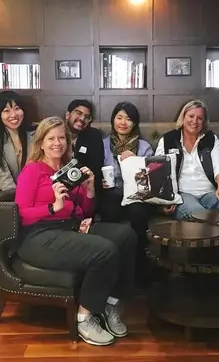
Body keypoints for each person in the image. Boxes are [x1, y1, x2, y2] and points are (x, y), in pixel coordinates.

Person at [14, 117, 137, 346]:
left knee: (126, 236)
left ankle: (110, 304)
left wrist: (90, 189)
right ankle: (84, 318)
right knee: (105, 250)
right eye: (51, 138)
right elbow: (20, 213)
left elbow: (85, 209)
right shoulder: (32, 170)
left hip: (70, 228)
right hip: (38, 236)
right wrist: (53, 207)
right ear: (41, 143)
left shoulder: (69, 168)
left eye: (61, 137)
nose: (57, 143)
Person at [98, 102, 155, 283]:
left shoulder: (144, 147)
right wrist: (100, 183)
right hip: (112, 194)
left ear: (135, 123)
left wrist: (135, 161)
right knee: (109, 205)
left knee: (138, 211)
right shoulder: (103, 145)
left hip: (137, 194)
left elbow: (151, 179)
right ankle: (111, 266)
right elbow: (95, 172)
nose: (123, 123)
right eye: (119, 117)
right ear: (113, 120)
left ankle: (139, 267)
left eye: (129, 119)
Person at [155, 99, 219, 219]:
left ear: (204, 121)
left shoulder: (211, 139)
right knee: (198, 213)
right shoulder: (168, 140)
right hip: (183, 194)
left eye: (200, 118)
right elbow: (158, 171)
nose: (195, 121)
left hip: (209, 192)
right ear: (183, 117)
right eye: (191, 116)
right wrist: (163, 201)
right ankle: (211, 230)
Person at [65, 99, 105, 194]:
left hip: (85, 188)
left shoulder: (94, 136)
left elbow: (96, 169)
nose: (82, 119)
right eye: (78, 113)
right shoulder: (58, 134)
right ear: (68, 115)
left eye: (87, 117)